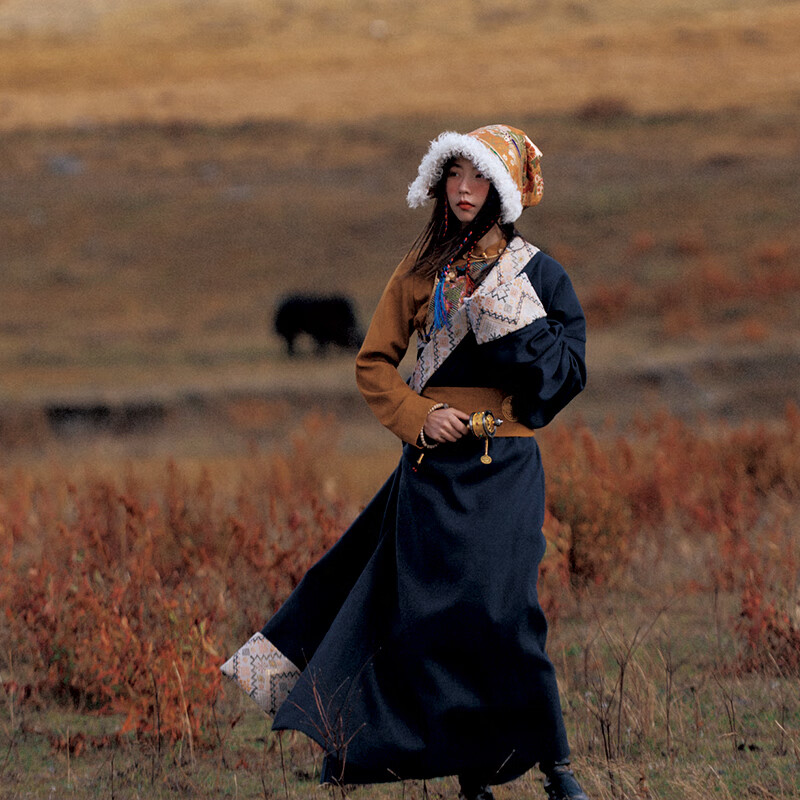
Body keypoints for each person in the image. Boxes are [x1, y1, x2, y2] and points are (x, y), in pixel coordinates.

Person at [222, 124, 590, 800]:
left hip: (507, 469)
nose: (463, 190)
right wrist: (421, 417)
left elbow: (566, 377)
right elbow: (373, 365)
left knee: (508, 615)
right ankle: (473, 777)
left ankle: (556, 767)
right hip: (433, 474)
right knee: (433, 624)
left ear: (505, 191)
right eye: (454, 175)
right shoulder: (420, 270)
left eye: (479, 178)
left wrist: (511, 317)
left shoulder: (540, 274)